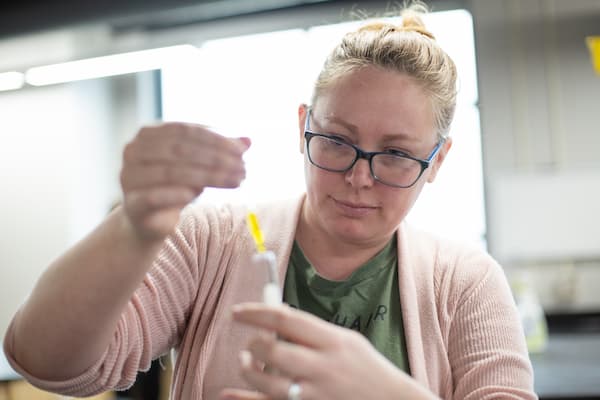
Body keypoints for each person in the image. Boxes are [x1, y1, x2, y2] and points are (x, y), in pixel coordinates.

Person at [3, 3, 537, 399]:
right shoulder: (212, 240)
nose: (357, 177)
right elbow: (49, 363)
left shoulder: (466, 282)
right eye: (336, 140)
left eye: (396, 154)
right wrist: (131, 229)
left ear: (438, 161)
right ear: (304, 125)